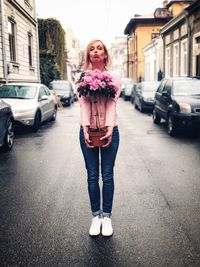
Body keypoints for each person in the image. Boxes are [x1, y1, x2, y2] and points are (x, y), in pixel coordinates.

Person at [78, 39, 121, 237]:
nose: (95, 51)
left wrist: (110, 128)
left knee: (108, 175)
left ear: (105, 54)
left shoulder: (113, 77)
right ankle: (96, 217)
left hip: (110, 130)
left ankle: (107, 217)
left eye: (99, 48)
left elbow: (112, 103)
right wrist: (85, 128)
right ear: (88, 55)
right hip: (88, 131)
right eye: (91, 49)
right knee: (92, 176)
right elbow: (84, 104)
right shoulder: (83, 77)